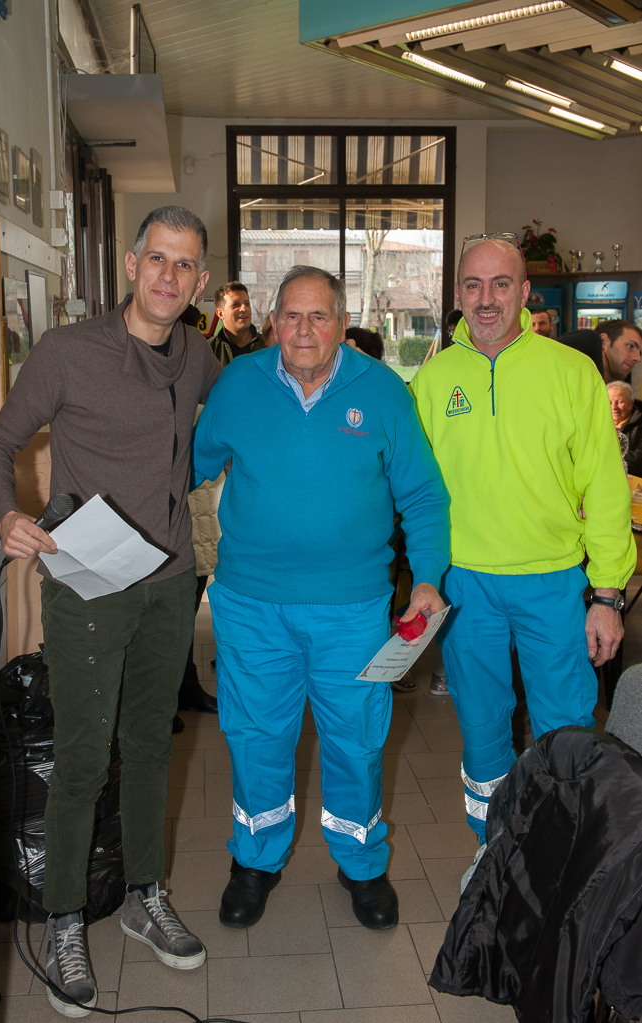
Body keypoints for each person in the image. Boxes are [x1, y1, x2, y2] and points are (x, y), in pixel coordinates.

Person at [0, 206, 221, 1018]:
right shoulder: (67, 351)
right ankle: (65, 918)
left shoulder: (200, 357)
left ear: (200, 281)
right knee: (83, 755)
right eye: (157, 258)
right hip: (85, 578)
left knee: (149, 744)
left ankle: (146, 893)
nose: (167, 276)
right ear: (130, 262)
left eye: (183, 265)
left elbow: (222, 437)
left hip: (168, 579)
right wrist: (7, 514)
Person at [193, 265, 450, 931]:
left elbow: (423, 496)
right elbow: (188, 465)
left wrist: (426, 576)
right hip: (251, 605)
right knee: (255, 736)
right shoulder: (238, 385)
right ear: (272, 322)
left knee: (355, 741)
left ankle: (360, 862)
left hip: (353, 609)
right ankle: (255, 859)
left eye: (318, 316)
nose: (303, 330)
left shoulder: (383, 392)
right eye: (291, 315)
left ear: (342, 323)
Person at [410, 233, 636, 843]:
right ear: (459, 294)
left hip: (554, 580)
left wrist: (607, 594)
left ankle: (559, 856)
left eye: (501, 284)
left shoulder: (572, 373)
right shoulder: (432, 382)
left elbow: (605, 488)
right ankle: (493, 854)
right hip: (466, 585)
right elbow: (414, 492)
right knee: (483, 730)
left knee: (566, 730)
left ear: (525, 292)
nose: (486, 299)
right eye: (474, 285)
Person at [209, 281, 264, 365]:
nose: (244, 308)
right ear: (220, 314)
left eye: (247, 303)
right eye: (236, 305)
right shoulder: (209, 350)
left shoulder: (268, 345)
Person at [608, 379, 642, 476]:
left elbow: (639, 459)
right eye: (609, 402)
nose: (614, 407)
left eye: (619, 402)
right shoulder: (596, 423)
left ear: (631, 404)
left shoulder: (639, 426)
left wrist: (610, 456)